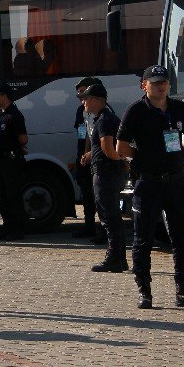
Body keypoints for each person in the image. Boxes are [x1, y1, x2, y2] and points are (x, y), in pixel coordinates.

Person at [117, 65, 184, 310]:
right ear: (144, 85)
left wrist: (175, 154)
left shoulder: (178, 108)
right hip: (149, 182)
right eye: (155, 82)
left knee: (181, 239)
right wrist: (145, 158)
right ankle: (145, 291)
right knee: (143, 239)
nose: (161, 86)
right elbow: (121, 148)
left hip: (176, 182)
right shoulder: (136, 111)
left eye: (164, 82)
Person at [79, 83, 129, 273]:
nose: (83, 103)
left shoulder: (104, 120)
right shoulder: (105, 118)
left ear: (94, 100)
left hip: (106, 173)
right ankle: (119, 258)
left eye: (85, 99)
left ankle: (114, 257)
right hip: (107, 171)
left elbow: (109, 149)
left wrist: (124, 159)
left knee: (109, 216)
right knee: (112, 216)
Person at [0, 83, 28, 240]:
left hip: (11, 160)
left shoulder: (15, 115)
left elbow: (23, 139)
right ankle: (7, 227)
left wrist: (15, 147)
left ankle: (17, 230)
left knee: (13, 196)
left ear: (4, 96)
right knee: (3, 196)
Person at [71, 77, 105, 244]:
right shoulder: (81, 110)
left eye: (83, 92)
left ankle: (104, 231)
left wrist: (90, 153)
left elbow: (100, 139)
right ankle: (89, 225)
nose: (80, 96)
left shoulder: (104, 114)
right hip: (85, 154)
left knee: (100, 196)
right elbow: (83, 132)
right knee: (86, 193)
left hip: (98, 158)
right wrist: (83, 153)